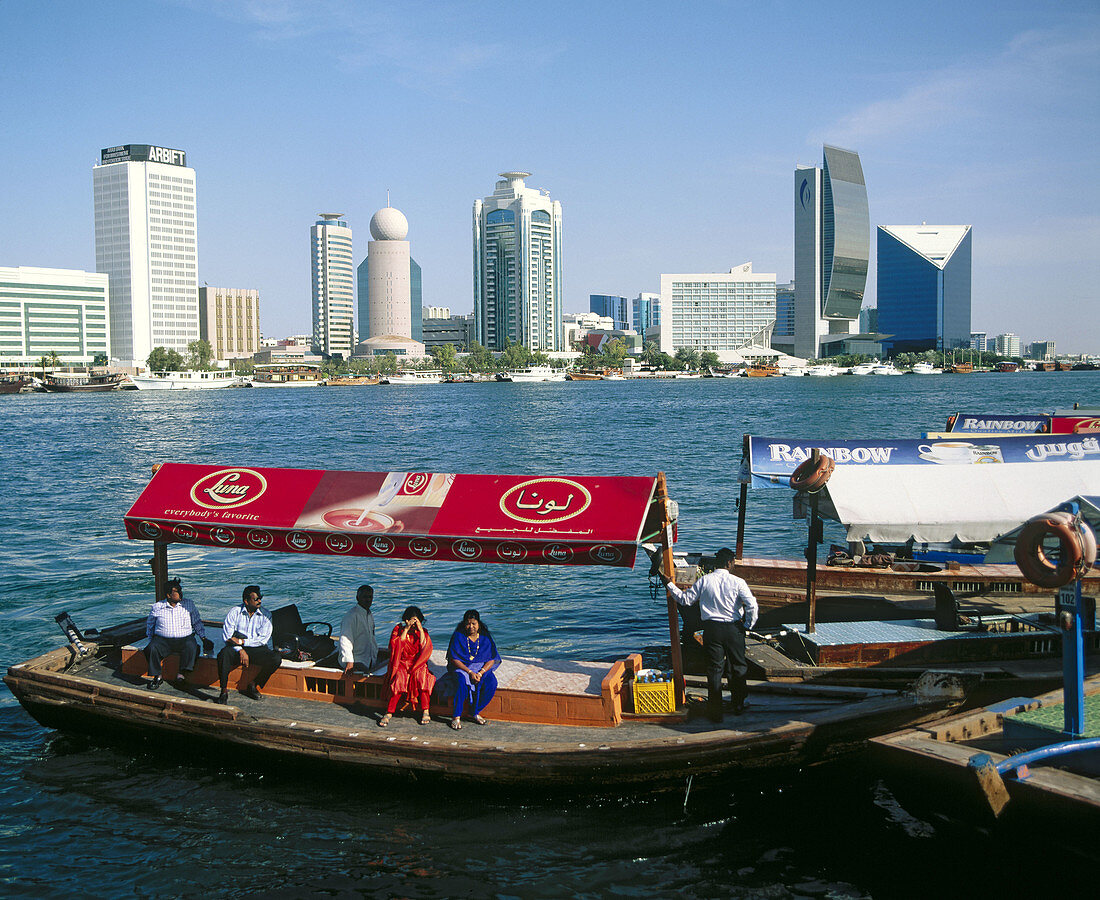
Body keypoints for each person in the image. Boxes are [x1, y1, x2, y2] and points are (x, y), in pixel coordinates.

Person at [661, 547, 758, 722]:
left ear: (716, 563)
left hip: (712, 630)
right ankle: (738, 703)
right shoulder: (738, 582)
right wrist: (748, 625)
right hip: (734, 629)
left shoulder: (704, 581)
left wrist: (669, 584)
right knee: (738, 667)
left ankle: (715, 711)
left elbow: (685, 600)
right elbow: (752, 605)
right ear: (729, 563)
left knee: (714, 669)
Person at [215, 585, 282, 704]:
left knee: (276, 659)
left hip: (257, 649)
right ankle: (223, 691)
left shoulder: (266, 614)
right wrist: (240, 649)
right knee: (223, 654)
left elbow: (262, 639)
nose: (260, 601)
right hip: (237, 649)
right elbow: (228, 637)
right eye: (256, 599)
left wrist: (242, 642)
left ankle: (253, 684)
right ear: (246, 601)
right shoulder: (234, 612)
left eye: (260, 598)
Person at [145, 578, 211, 689]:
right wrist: (151, 640)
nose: (181, 593)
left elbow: (196, 622)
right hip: (163, 640)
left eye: (180, 590)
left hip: (185, 639)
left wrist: (204, 638)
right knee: (151, 648)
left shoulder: (189, 604)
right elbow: (150, 625)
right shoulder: (157, 607)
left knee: (193, 647)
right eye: (177, 591)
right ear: (168, 595)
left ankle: (181, 675)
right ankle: (157, 676)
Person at [444, 609, 501, 730]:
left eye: (473, 623)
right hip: (462, 668)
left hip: (481, 668)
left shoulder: (485, 637)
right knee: (461, 684)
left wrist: (480, 672)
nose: (471, 626)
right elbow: (454, 659)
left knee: (491, 683)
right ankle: (456, 716)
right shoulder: (458, 636)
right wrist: (469, 672)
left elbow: (491, 658)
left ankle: (474, 712)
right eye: (468, 623)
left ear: (478, 624)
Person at [379, 606, 435, 727]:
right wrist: (406, 629)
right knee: (399, 679)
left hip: (417, 663)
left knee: (422, 678)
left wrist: (419, 629)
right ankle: (389, 712)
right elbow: (396, 646)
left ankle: (426, 710)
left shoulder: (422, 632)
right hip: (402, 662)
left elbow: (425, 648)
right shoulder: (398, 629)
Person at [338, 585, 378, 675]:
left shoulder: (369, 614)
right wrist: (349, 661)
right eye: (364, 597)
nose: (368, 600)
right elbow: (345, 640)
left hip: (369, 659)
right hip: (356, 660)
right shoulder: (351, 616)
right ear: (357, 598)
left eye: (370, 597)